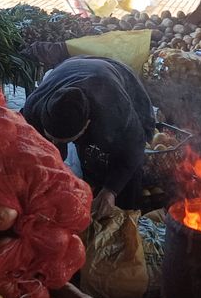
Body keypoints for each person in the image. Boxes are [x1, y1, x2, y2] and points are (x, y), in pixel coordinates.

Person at [22, 56, 156, 216]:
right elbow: (28, 147)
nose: (54, 142)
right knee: (89, 166)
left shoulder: (113, 109)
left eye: (65, 141)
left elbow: (134, 146)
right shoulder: (33, 108)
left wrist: (111, 190)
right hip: (73, 68)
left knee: (126, 177)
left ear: (86, 125)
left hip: (116, 78)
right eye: (51, 137)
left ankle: (127, 212)